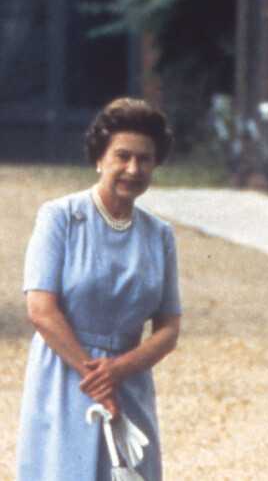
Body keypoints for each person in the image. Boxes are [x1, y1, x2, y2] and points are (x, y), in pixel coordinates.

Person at [16, 98, 181, 480]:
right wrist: (97, 380)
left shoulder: (160, 235)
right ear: (99, 157)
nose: (133, 168)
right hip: (65, 375)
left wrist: (120, 371)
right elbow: (41, 309)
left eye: (145, 159)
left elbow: (169, 330)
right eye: (122, 156)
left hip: (128, 381)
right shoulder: (59, 217)